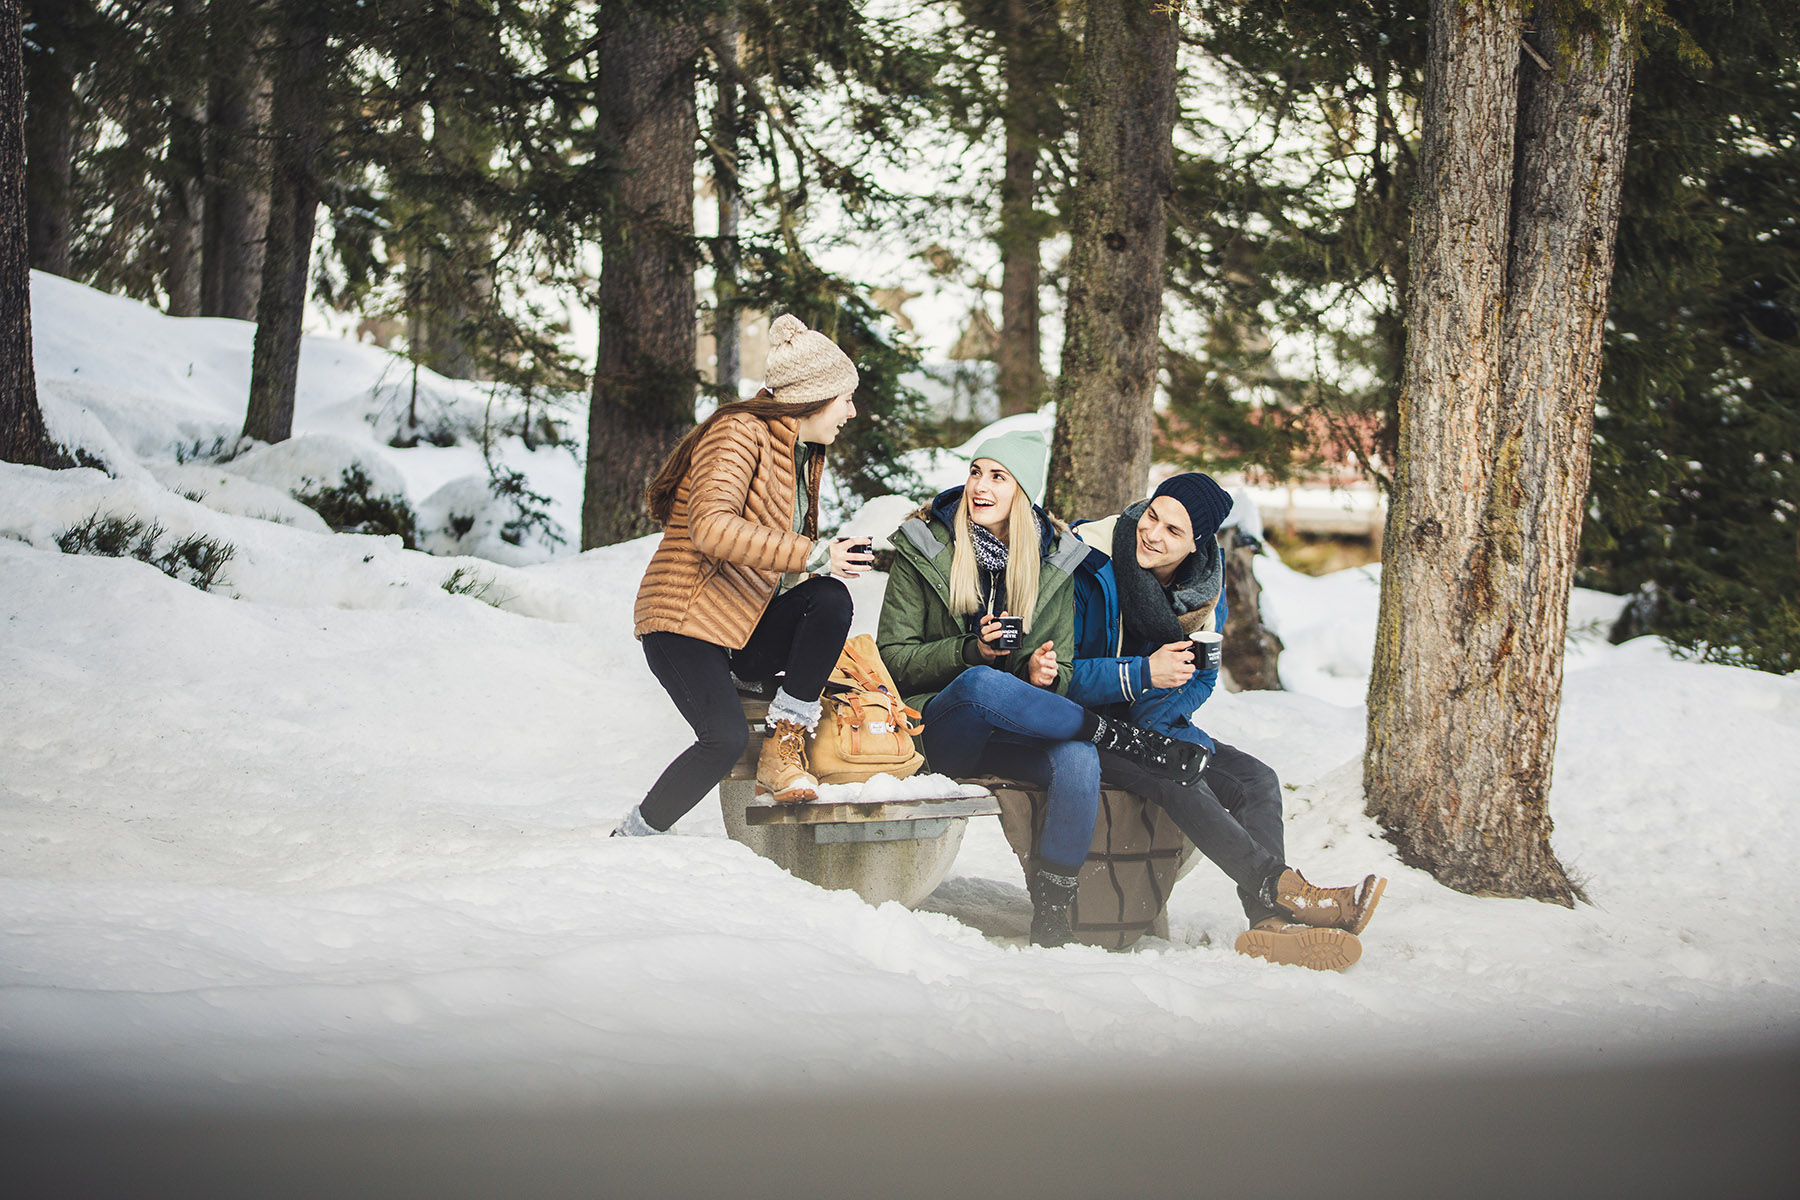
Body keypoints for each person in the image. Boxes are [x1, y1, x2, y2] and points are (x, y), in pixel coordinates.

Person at [877, 431, 1206, 946]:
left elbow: (1065, 674)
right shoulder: (926, 548)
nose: (980, 487)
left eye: (998, 477)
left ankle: (1053, 911)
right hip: (936, 728)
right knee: (979, 680)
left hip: (1014, 727)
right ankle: (1123, 740)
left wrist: (1039, 672)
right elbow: (892, 662)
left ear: (1022, 492)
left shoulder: (1053, 562)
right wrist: (970, 650)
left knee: (1077, 758)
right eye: (976, 472)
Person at [1067, 472, 1387, 971]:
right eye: (1152, 516)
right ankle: (1288, 891)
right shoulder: (1092, 563)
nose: (1152, 533)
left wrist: (1159, 710)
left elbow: (1202, 677)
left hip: (1152, 725)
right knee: (1176, 772)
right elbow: (1060, 677)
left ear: (1196, 544)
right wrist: (1141, 675)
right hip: (1086, 726)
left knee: (1256, 780)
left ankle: (1269, 924)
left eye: (1173, 530)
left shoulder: (1204, 593)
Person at [614, 314, 874, 837]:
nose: (851, 411)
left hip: (742, 628)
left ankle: (784, 746)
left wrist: (820, 566)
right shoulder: (738, 432)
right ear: (813, 397)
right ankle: (637, 834)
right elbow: (710, 526)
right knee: (725, 740)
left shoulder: (799, 452)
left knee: (828, 599)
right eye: (845, 398)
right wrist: (813, 553)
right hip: (684, 621)